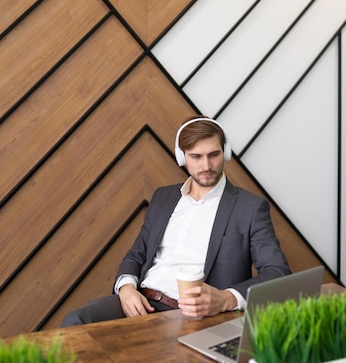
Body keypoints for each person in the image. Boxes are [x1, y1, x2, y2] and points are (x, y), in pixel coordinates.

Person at [61, 116, 291, 326]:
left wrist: (226, 299)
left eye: (214, 154)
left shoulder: (249, 207)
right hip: (142, 301)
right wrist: (126, 288)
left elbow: (278, 272)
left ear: (226, 153)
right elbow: (136, 254)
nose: (206, 166)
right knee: (76, 321)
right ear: (181, 157)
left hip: (195, 315)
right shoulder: (163, 197)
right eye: (196, 157)